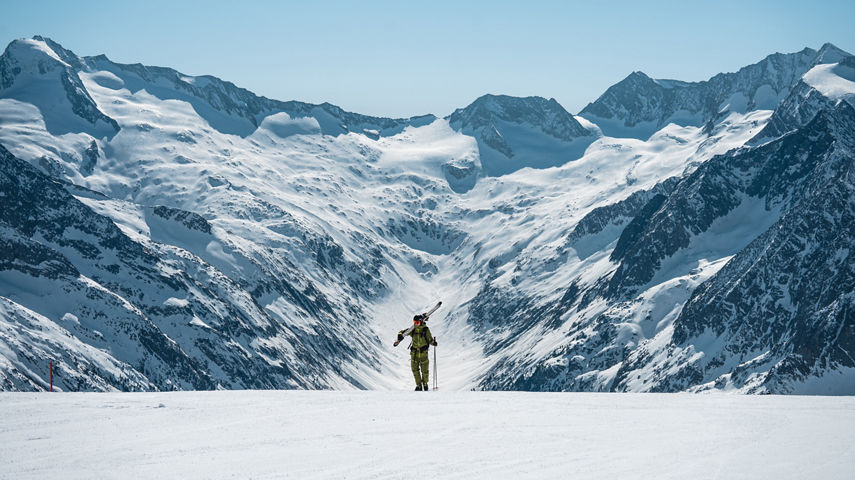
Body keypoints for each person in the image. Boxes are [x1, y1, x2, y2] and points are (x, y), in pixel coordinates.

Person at [396, 313, 437, 391]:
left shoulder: (425, 330)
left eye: (417, 323)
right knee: (415, 370)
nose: (416, 324)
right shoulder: (413, 330)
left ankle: (425, 384)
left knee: (425, 371)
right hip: (414, 354)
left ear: (421, 322)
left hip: (423, 353)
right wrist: (400, 335)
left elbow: (430, 339)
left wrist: (433, 343)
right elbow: (403, 332)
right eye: (414, 323)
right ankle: (418, 385)